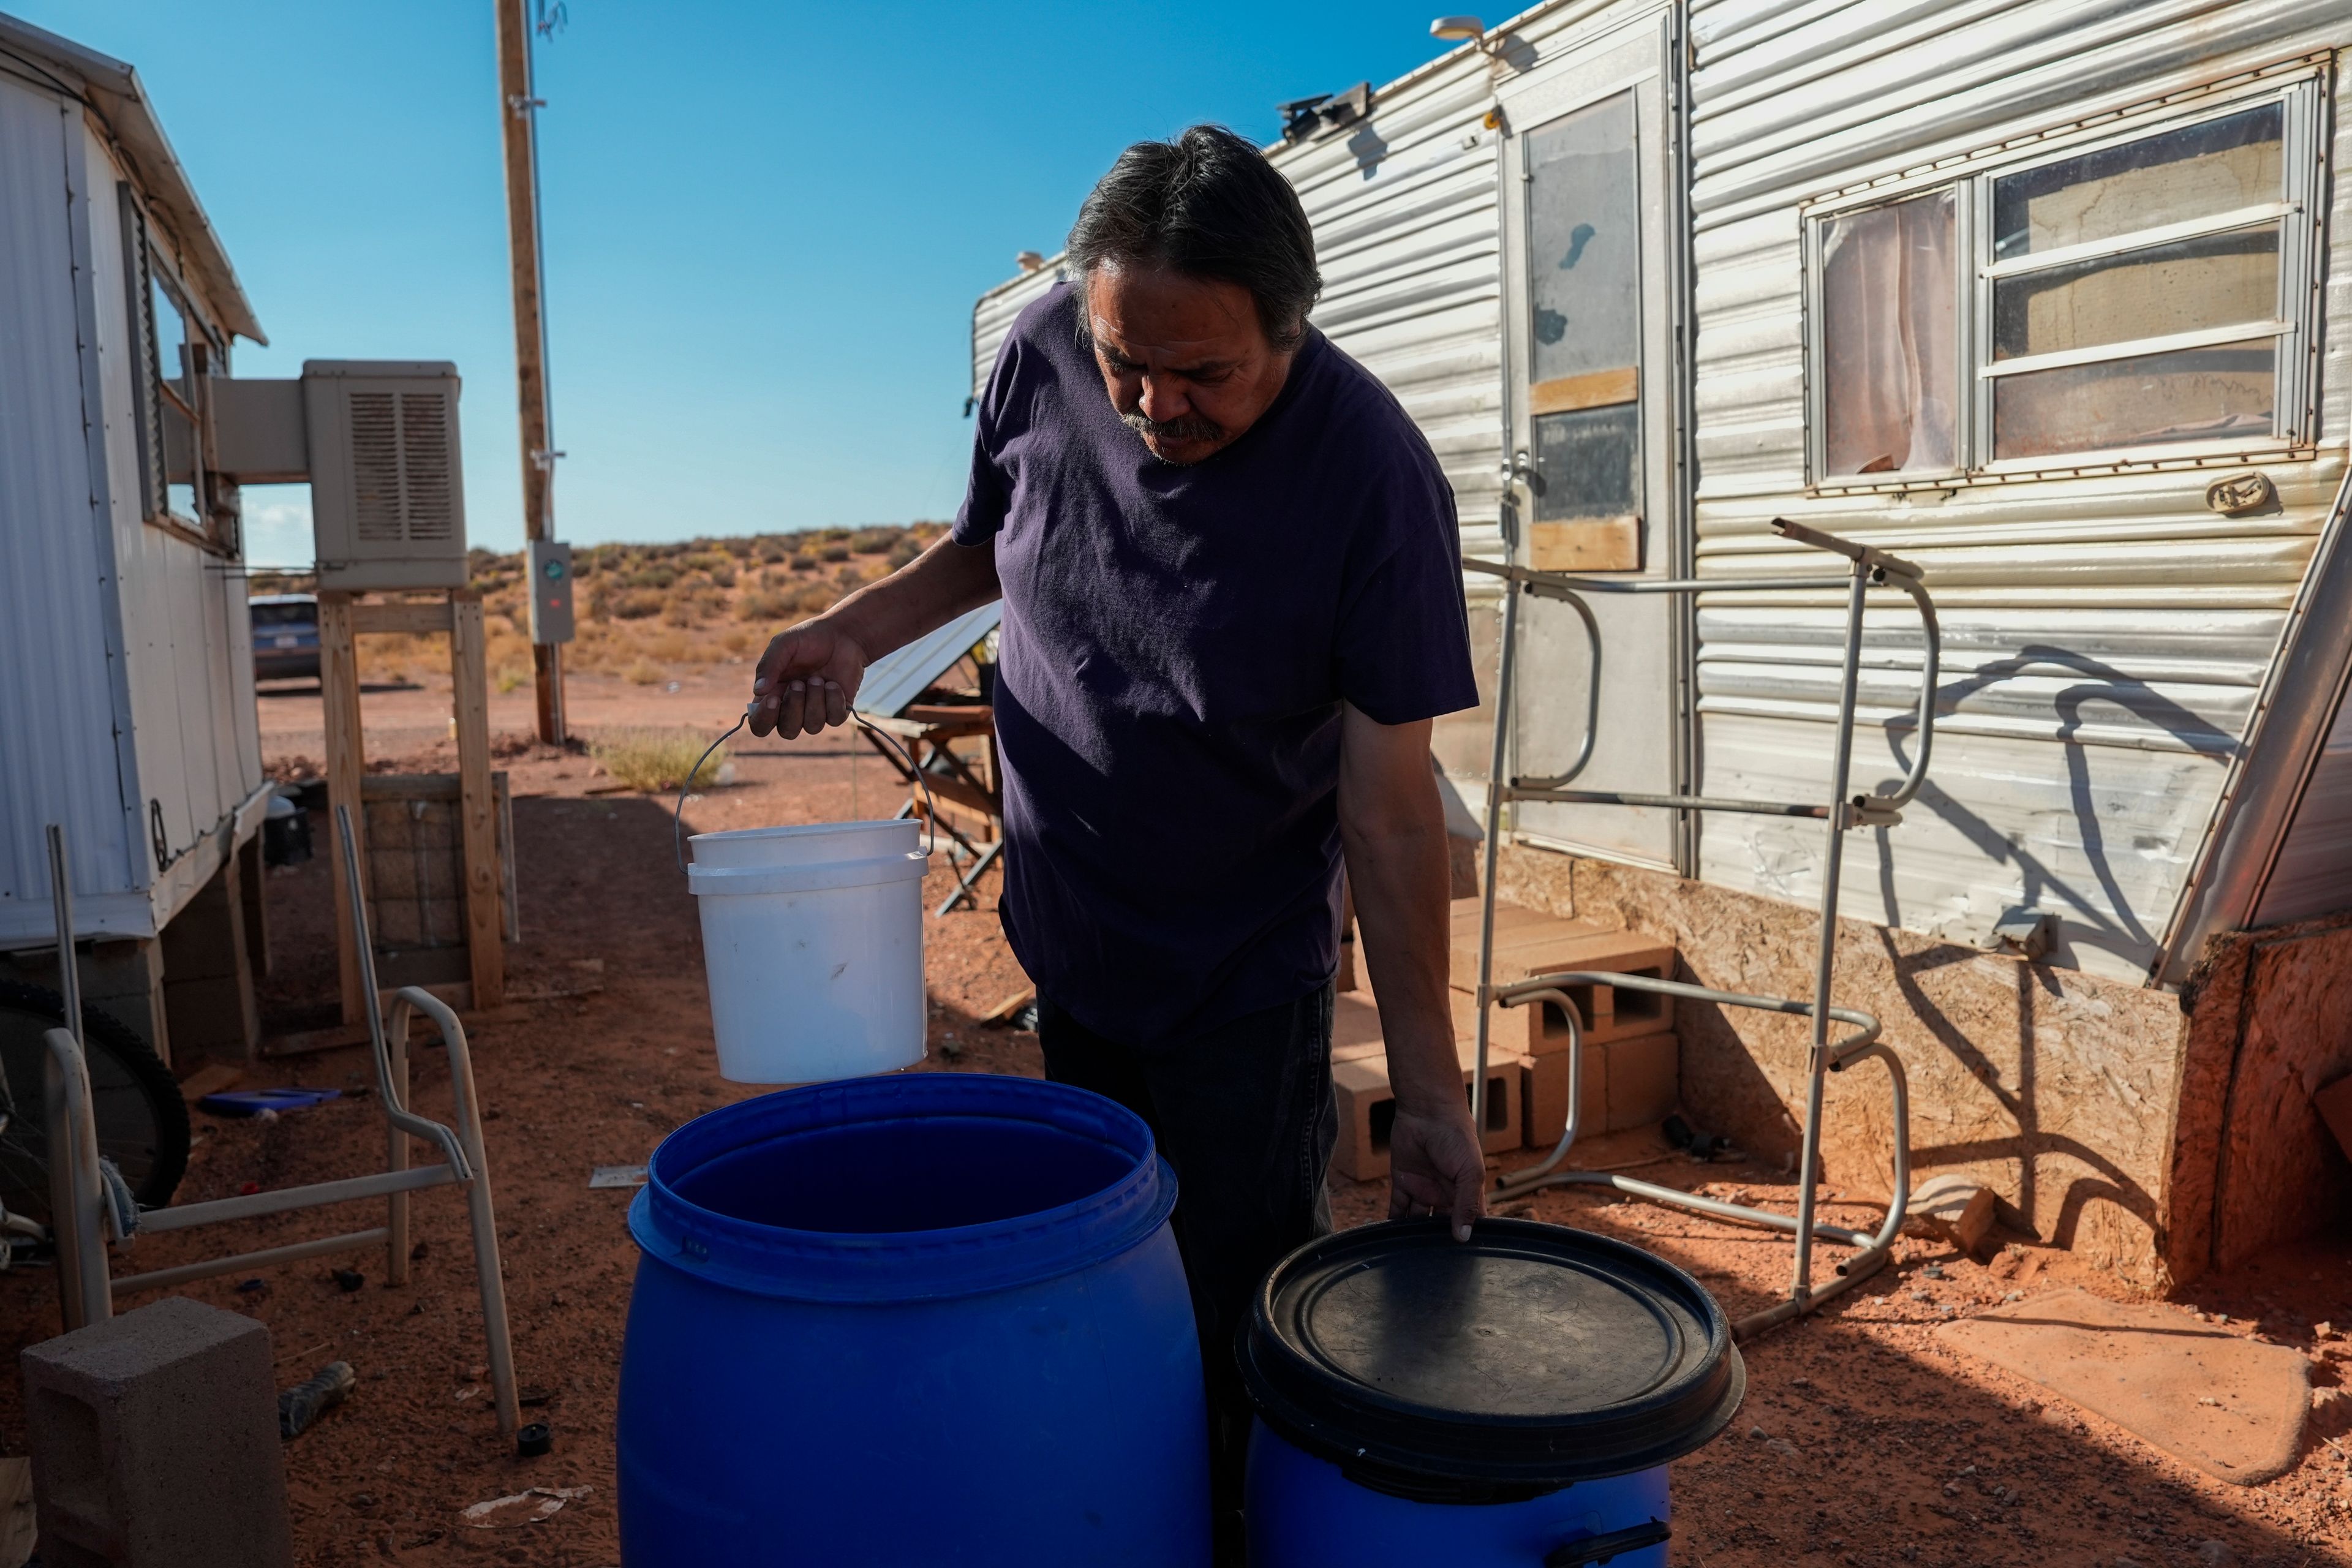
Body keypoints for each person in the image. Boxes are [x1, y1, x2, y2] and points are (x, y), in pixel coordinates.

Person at [749, 123, 1485, 1554]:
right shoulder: (1047, 343)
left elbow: (1391, 814)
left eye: (1205, 373)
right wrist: (850, 627)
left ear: (1292, 323)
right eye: (1124, 363)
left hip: (1236, 966)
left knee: (1234, 1318)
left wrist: (1434, 1096)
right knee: (1096, 1278)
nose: (1153, 403)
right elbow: (985, 541)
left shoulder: (1373, 480)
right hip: (1072, 921)